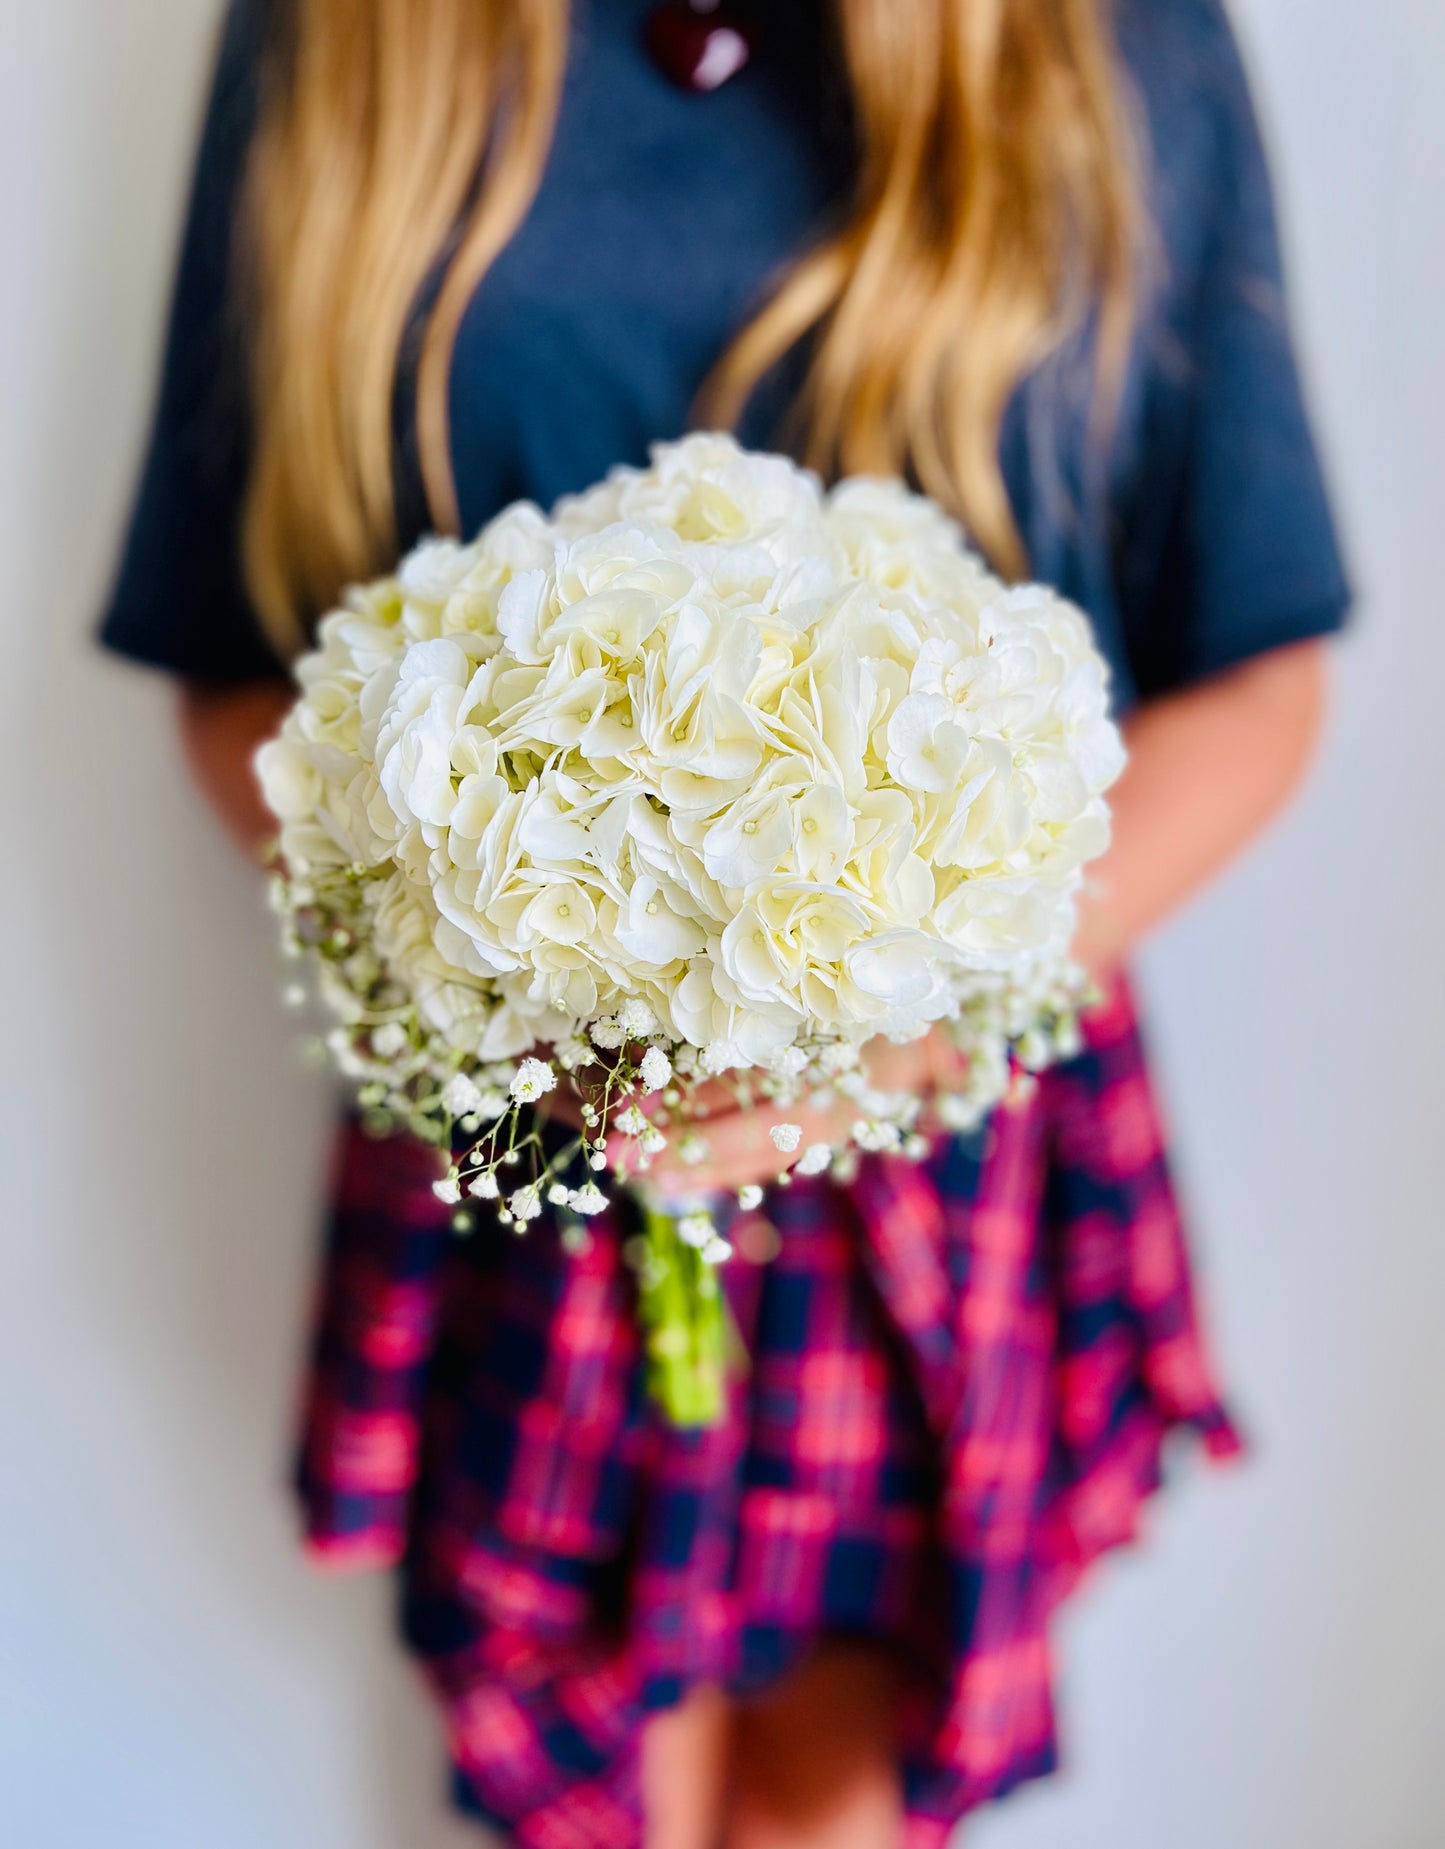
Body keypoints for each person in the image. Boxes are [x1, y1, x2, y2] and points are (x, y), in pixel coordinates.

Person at [99, 0, 1349, 1842]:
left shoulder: (1108, 36)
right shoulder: (343, 33)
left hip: (953, 1131)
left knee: (831, 1807)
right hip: (514, 1112)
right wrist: (482, 970)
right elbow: (230, 679)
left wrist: (910, 1025)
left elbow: (1254, 683)